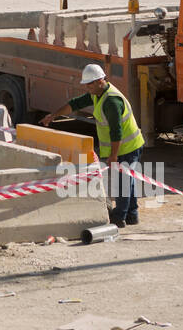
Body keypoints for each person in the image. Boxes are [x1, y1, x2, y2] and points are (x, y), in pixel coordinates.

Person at [40, 63, 145, 227]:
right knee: (127, 179)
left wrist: (113, 155)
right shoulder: (97, 94)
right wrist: (53, 115)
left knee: (122, 182)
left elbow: (116, 132)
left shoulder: (111, 101)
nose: (87, 87)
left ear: (99, 81)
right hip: (128, 145)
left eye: (89, 84)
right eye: (86, 84)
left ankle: (119, 217)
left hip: (127, 146)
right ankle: (132, 215)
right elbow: (75, 104)